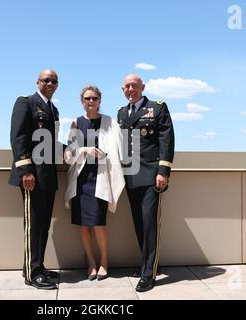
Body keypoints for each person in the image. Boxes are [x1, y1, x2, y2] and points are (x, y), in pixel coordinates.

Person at [118, 74, 175, 292]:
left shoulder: (157, 108)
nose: (130, 89)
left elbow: (166, 139)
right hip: (130, 176)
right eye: (127, 86)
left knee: (150, 224)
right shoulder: (122, 113)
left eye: (134, 85)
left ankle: (148, 273)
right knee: (139, 224)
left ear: (143, 87)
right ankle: (146, 265)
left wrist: (163, 171)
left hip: (152, 176)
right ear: (123, 90)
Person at [65, 85, 125, 281]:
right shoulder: (76, 122)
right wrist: (84, 150)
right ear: (82, 101)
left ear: (100, 100)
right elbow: (68, 156)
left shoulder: (109, 122)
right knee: (83, 225)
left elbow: (120, 149)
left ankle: (104, 263)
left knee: (99, 224)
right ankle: (91, 263)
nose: (91, 101)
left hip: (100, 178)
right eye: (87, 98)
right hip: (81, 180)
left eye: (94, 98)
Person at [9, 69, 61, 290]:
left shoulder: (53, 109)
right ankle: (32, 274)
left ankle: (37, 267)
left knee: (43, 225)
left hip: (48, 176)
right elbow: (18, 136)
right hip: (32, 177)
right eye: (46, 80)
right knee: (33, 225)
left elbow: (51, 144)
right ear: (38, 82)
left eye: (54, 81)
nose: (50, 83)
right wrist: (26, 171)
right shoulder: (26, 103)